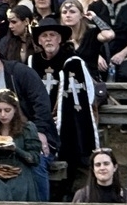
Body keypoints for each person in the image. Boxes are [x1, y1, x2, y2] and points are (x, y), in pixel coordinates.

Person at [0, 36, 54, 202]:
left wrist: (41, 132)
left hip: (28, 136)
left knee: (37, 165)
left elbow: (41, 103)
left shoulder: (20, 73)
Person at [31, 17, 98, 189]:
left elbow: (87, 93)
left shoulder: (74, 61)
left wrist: (61, 114)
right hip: (41, 119)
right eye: (44, 35)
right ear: (39, 40)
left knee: (72, 131)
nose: (48, 39)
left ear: (60, 39)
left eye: (52, 35)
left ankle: (70, 186)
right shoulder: (33, 62)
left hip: (68, 118)